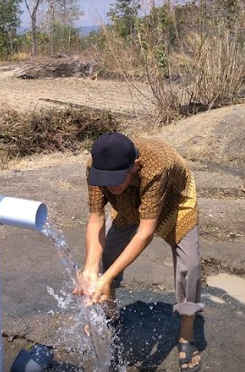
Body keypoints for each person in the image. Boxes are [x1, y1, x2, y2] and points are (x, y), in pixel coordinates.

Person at [75, 132, 203, 372]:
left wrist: (108, 276)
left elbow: (145, 233)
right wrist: (91, 269)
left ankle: (186, 335)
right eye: (105, 181)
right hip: (129, 205)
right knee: (107, 257)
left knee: (190, 266)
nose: (108, 186)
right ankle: (109, 313)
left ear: (134, 166)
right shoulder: (96, 166)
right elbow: (95, 219)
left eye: (114, 181)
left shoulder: (155, 166)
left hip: (176, 201)